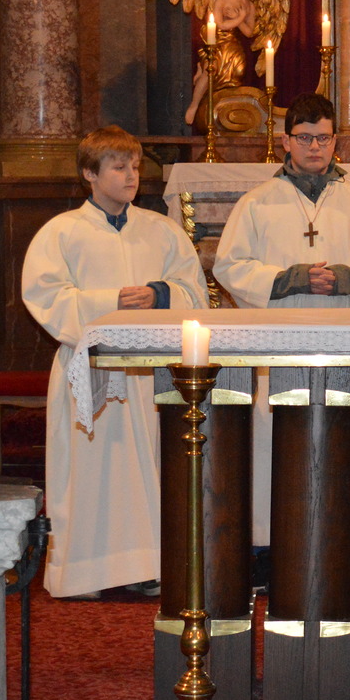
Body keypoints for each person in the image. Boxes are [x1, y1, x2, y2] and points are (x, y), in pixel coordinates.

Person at [213, 92, 350, 559]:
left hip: (341, 339)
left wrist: (347, 277)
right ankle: (268, 545)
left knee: (340, 436)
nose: (314, 147)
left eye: (323, 138)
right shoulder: (257, 203)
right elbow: (230, 265)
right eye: (304, 138)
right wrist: (290, 278)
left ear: (335, 141)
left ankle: (337, 546)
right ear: (286, 142)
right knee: (273, 436)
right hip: (279, 341)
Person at [22, 125, 209, 598]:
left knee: (146, 469)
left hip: (149, 372)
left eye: (135, 167)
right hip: (91, 368)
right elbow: (44, 296)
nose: (131, 176)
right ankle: (85, 572)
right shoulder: (61, 232)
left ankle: (148, 566)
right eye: (119, 167)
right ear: (90, 173)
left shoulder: (160, 230)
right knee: (91, 471)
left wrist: (160, 294)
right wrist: (111, 301)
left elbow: (194, 292)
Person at [183, 0, 256, 127]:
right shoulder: (221, 0)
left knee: (239, 72)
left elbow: (249, 32)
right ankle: (194, 105)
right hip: (217, 44)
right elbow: (220, 24)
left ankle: (227, 109)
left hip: (233, 45)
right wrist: (239, 18)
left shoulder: (249, 5)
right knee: (212, 70)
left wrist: (240, 18)